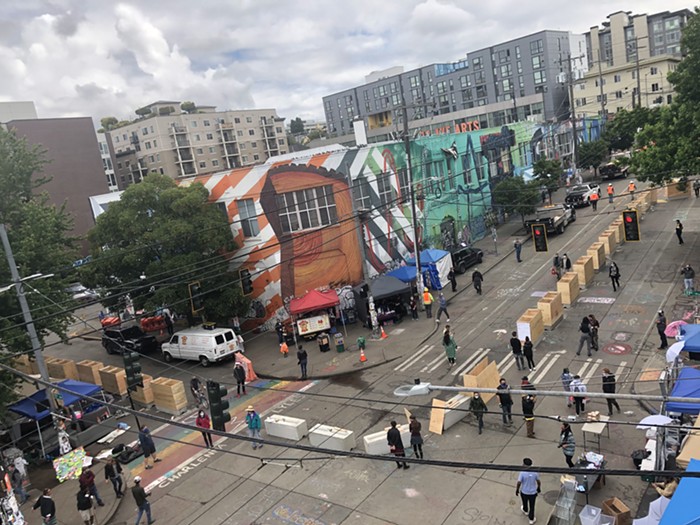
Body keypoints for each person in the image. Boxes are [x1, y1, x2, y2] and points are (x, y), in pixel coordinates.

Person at [516, 458, 541, 525]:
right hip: (533, 492)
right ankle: (531, 519)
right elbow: (538, 481)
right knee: (532, 506)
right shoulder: (535, 472)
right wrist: (538, 488)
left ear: (525, 465)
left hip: (524, 491)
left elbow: (519, 482)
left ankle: (525, 510)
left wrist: (517, 489)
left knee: (524, 502)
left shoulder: (522, 473)